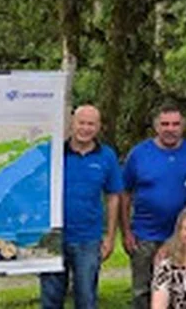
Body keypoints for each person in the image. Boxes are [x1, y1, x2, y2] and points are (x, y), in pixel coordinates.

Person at [41, 104, 123, 309]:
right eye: (81, 123)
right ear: (71, 124)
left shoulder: (107, 156)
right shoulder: (53, 154)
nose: (85, 128)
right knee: (51, 299)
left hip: (88, 238)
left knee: (86, 298)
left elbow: (114, 196)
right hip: (53, 236)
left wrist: (111, 236)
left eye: (91, 124)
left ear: (98, 127)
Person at [122, 104, 186, 309]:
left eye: (175, 124)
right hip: (145, 235)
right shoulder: (139, 154)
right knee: (143, 291)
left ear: (183, 126)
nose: (170, 128)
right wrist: (126, 231)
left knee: (181, 290)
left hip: (185, 236)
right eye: (165, 124)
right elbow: (125, 193)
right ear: (156, 126)